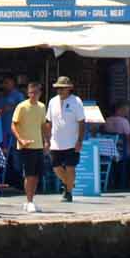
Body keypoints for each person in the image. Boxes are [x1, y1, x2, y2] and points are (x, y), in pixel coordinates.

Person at [10, 81, 49, 213]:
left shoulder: (42, 107)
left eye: (36, 93)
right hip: (26, 146)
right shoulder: (21, 106)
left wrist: (47, 141)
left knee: (37, 175)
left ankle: (31, 200)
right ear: (28, 93)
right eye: (31, 93)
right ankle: (29, 201)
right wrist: (20, 139)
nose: (34, 95)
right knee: (29, 175)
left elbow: (43, 125)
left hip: (38, 144)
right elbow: (13, 125)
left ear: (40, 94)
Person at [46, 75, 86, 203]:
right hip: (56, 141)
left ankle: (68, 192)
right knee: (56, 166)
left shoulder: (76, 101)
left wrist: (79, 140)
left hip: (71, 141)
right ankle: (68, 183)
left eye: (62, 88)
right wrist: (47, 139)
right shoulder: (52, 101)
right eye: (58, 88)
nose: (60, 91)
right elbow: (49, 122)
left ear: (69, 89)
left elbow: (81, 122)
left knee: (70, 167)